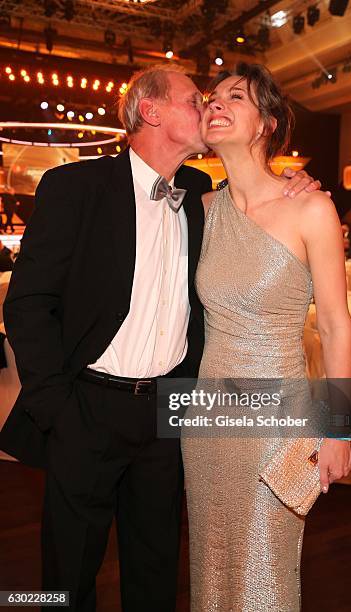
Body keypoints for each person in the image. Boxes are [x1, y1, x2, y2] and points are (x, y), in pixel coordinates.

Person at [0, 65, 321, 612]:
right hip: (86, 408)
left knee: (154, 573)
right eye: (197, 99)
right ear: (151, 112)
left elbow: (258, 202)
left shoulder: (199, 192)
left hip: (168, 416)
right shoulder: (75, 188)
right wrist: (58, 410)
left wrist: (296, 183)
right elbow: (27, 304)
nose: (209, 109)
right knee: (66, 574)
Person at [181, 63, 351, 611]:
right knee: (211, 563)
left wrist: (340, 431)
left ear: (266, 124)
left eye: (236, 97)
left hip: (277, 416)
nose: (216, 104)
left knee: (266, 571)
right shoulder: (203, 210)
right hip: (209, 415)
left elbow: (334, 325)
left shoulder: (312, 207)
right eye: (212, 98)